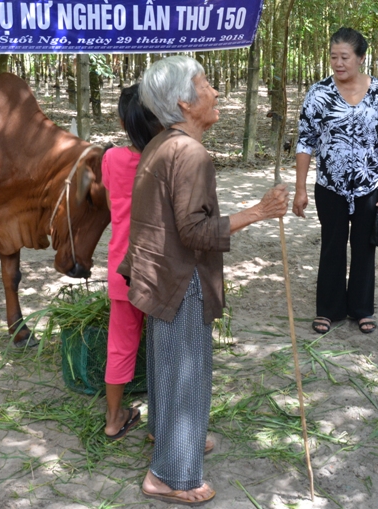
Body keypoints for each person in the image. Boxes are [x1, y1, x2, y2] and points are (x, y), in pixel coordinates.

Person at [119, 56, 288, 505]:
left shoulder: (162, 143)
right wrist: (259, 212)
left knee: (167, 363)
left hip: (159, 272)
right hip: (180, 277)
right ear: (183, 102)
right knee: (187, 369)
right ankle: (171, 476)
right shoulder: (188, 152)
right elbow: (194, 231)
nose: (215, 92)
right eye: (206, 84)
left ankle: (170, 436)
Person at [293, 27, 378, 336]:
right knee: (332, 245)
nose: (338, 63)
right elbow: (305, 141)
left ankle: (361, 309)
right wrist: (300, 188)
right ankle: (328, 309)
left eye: (345, 57)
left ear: (361, 58)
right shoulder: (318, 93)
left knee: (364, 247)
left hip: (372, 186)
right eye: (333, 57)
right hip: (330, 186)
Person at [102, 85, 162, 440]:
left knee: (120, 345)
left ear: (123, 122)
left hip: (121, 269)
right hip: (160, 271)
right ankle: (163, 425)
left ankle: (113, 419)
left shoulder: (110, 159)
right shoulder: (167, 158)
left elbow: (112, 205)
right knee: (165, 349)